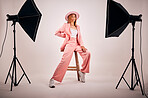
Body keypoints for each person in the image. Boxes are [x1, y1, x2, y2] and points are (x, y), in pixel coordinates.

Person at [49, 11, 91, 88]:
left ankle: (82, 72)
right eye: (71, 16)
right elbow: (56, 33)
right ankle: (53, 79)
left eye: (74, 17)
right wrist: (65, 36)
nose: (73, 18)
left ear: (76, 18)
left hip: (77, 44)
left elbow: (80, 37)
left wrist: (82, 45)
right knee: (64, 61)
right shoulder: (65, 25)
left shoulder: (78, 26)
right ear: (68, 18)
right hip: (69, 43)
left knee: (87, 53)